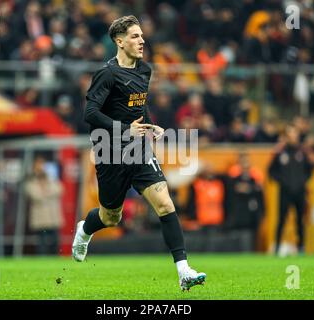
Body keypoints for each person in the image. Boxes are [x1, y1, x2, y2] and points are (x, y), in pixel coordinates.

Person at [71, 15, 206, 291]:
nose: (142, 40)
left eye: (142, 35)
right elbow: (90, 113)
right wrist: (124, 130)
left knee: (166, 204)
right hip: (110, 151)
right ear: (119, 42)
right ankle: (85, 230)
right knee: (112, 217)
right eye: (134, 36)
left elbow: (137, 106)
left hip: (138, 148)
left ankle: (183, 271)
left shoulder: (144, 70)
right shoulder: (107, 74)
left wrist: (148, 124)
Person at [269, 125, 313, 256]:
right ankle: (276, 247)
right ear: (286, 137)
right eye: (290, 134)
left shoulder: (302, 153)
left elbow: (309, 171)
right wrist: (282, 182)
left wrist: (302, 182)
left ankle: (301, 247)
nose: (292, 137)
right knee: (281, 220)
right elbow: (271, 171)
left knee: (300, 220)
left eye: (294, 134)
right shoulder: (280, 153)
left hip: (300, 192)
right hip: (285, 192)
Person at [25, 156, 63, 255]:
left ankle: (55, 258)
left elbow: (60, 189)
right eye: (38, 165)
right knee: (41, 242)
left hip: (52, 217)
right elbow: (35, 195)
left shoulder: (51, 178)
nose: (40, 167)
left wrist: (46, 187)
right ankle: (42, 259)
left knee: (54, 241)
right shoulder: (31, 181)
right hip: (40, 218)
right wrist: (47, 192)